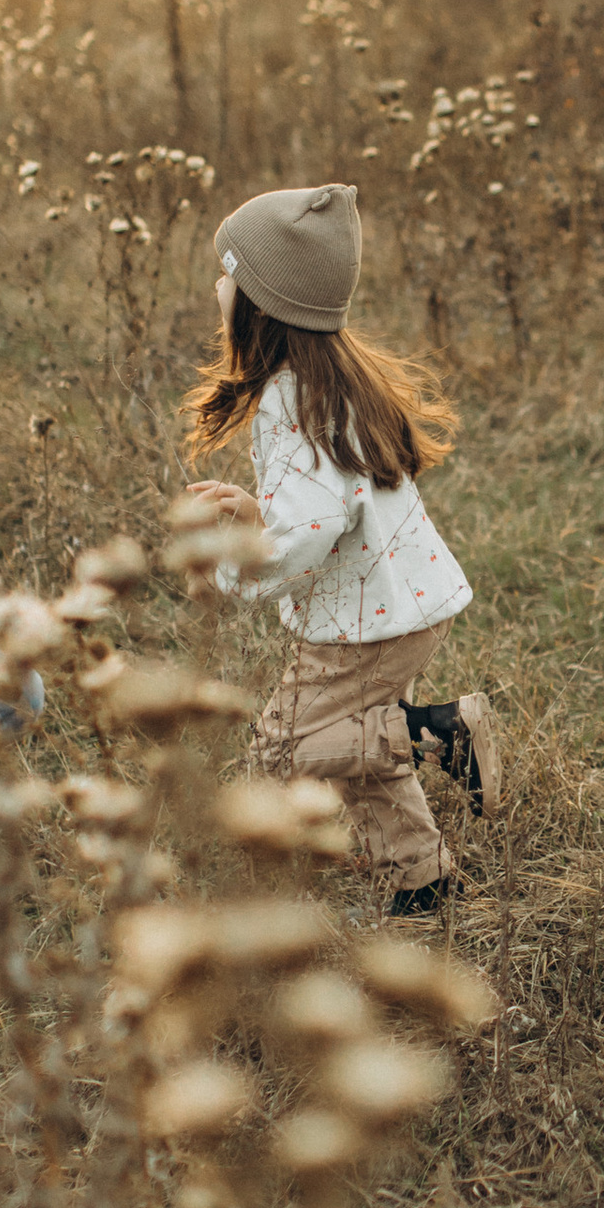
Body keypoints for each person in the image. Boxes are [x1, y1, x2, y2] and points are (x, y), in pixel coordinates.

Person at [177, 181, 502, 912]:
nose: (217, 286)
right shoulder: (337, 377)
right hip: (403, 607)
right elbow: (338, 502)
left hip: (362, 627)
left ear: (261, 303)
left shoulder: (290, 401)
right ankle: (426, 884)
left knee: (283, 750)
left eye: (228, 275)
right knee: (359, 753)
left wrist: (231, 574)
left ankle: (436, 737)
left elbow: (314, 527)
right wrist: (258, 507)